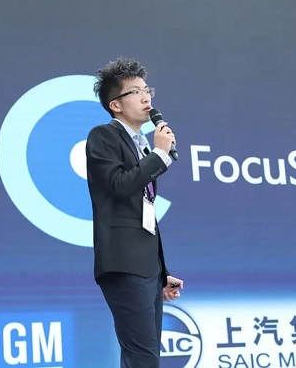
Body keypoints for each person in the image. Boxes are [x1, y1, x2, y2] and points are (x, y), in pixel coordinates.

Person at [86, 57, 184, 368]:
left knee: (146, 355)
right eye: (135, 92)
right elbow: (119, 186)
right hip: (124, 264)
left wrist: (160, 271)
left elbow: (143, 211)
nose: (146, 97)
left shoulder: (141, 146)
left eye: (147, 90)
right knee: (141, 356)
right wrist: (159, 154)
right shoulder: (103, 136)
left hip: (145, 268)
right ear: (115, 105)